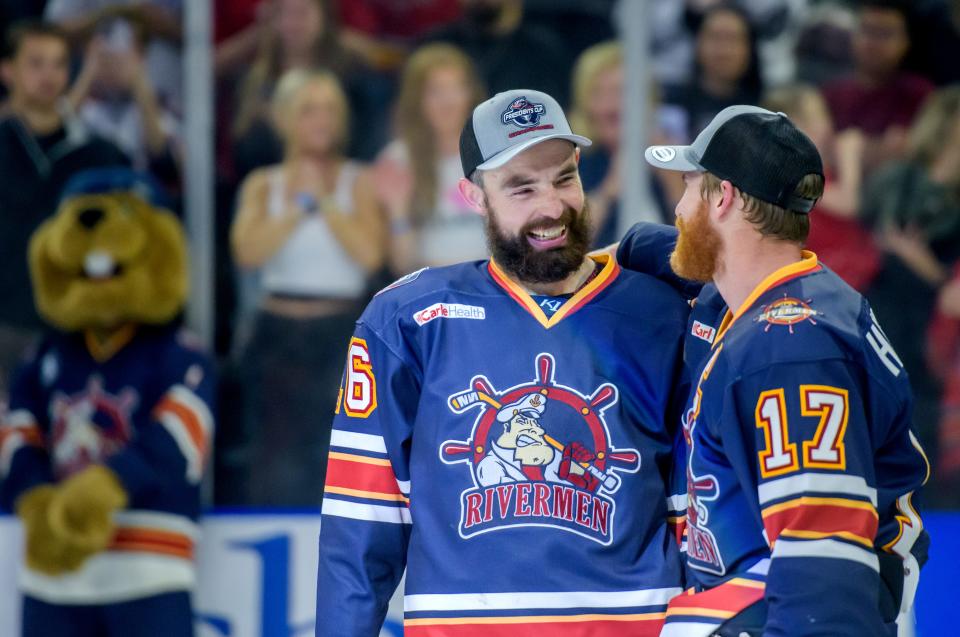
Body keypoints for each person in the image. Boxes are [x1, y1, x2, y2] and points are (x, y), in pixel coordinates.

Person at [315, 89, 691, 635]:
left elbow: (698, 508)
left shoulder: (659, 314)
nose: (551, 207)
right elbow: (361, 519)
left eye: (564, 178)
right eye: (521, 187)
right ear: (473, 195)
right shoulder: (408, 320)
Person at [634, 105, 929, 636]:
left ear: (722, 197)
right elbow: (660, 250)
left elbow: (823, 564)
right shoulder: (766, 297)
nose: (676, 208)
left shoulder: (792, 351)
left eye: (687, 186)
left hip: (799, 614)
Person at [229, 69, 384, 506]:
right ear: (285, 118)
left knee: (337, 450)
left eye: (330, 110)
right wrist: (299, 207)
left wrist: (329, 203)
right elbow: (247, 251)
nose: (321, 120)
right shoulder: (264, 184)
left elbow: (371, 255)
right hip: (278, 332)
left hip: (340, 331)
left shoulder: (361, 180)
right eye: (309, 110)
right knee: (274, 452)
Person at [0, 19, 127, 403]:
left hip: (75, 330)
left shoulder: (98, 153)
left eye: (58, 63)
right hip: (6, 325)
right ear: (8, 71)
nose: (49, 75)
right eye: (35, 63)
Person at [373, 43, 485, 275]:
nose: (448, 102)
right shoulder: (397, 161)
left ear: (471, 94)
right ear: (416, 100)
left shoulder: (494, 152)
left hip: (492, 282)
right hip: (429, 285)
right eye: (436, 91)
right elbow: (401, 265)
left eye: (457, 88)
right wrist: (398, 211)